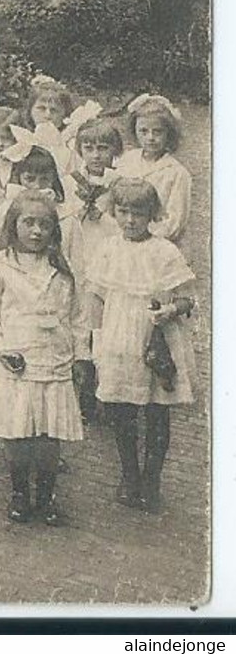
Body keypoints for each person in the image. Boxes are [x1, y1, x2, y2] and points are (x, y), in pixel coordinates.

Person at [0, 189, 86, 526]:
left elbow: (77, 318)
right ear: (14, 225)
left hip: (53, 362)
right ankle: (20, 492)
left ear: (54, 230)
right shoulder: (0, 267)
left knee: (49, 434)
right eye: (29, 223)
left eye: (44, 225)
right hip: (16, 362)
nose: (36, 232)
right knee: (18, 431)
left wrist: (81, 356)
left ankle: (47, 495)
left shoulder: (62, 271)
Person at [89, 178, 197, 513]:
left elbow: (186, 298)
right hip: (119, 337)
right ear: (114, 212)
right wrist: (96, 339)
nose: (130, 220)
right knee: (121, 411)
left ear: (152, 214)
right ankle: (129, 476)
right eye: (123, 212)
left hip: (155, 340)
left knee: (156, 412)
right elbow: (96, 297)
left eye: (138, 213)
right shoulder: (109, 247)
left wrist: (170, 309)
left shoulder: (164, 251)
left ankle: (152, 480)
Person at [65, 115, 124, 425]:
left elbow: (123, 224)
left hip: (107, 258)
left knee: (103, 326)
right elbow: (64, 219)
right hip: (80, 257)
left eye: (103, 148)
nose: (96, 155)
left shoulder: (118, 184)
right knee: (80, 324)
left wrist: (103, 213)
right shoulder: (72, 180)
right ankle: (83, 388)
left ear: (114, 151)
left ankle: (106, 389)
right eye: (89, 148)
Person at [114, 94, 191, 242]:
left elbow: (175, 221)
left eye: (157, 131)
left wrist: (146, 238)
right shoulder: (127, 161)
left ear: (169, 133)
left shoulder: (176, 173)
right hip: (123, 236)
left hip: (155, 242)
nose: (150, 137)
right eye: (143, 131)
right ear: (135, 131)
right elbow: (114, 200)